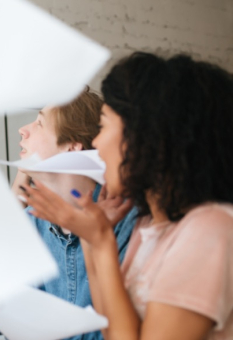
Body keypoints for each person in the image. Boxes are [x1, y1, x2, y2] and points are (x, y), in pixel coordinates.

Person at [24, 52, 233, 339]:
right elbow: (110, 329)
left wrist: (100, 243)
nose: (95, 142)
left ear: (148, 138)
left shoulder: (210, 230)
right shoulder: (148, 226)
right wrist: (94, 239)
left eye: (106, 125)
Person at [0, 88, 137, 340]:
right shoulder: (34, 220)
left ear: (73, 146)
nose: (23, 130)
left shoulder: (125, 220)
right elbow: (22, 321)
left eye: (40, 123)